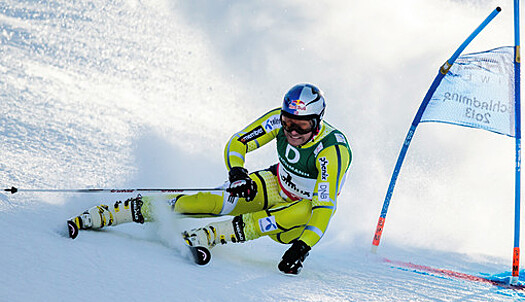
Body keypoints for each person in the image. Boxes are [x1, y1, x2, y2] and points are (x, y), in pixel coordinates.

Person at [68, 83, 352, 274]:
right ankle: (120, 211)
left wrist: (302, 247)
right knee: (208, 201)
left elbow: (324, 207)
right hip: (275, 183)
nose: (292, 131)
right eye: (288, 122)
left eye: (301, 125)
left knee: (293, 213)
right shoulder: (278, 120)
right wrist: (238, 172)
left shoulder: (331, 151)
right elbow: (238, 143)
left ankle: (213, 235)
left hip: (303, 213)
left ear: (317, 122)